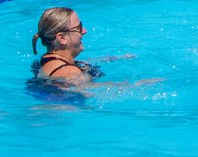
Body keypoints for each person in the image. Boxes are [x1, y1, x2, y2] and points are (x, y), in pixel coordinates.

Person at [28, 6, 158, 92]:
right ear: (62, 38)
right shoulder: (69, 72)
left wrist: (107, 59)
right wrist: (139, 85)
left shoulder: (48, 60)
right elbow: (93, 92)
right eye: (79, 27)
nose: (84, 31)